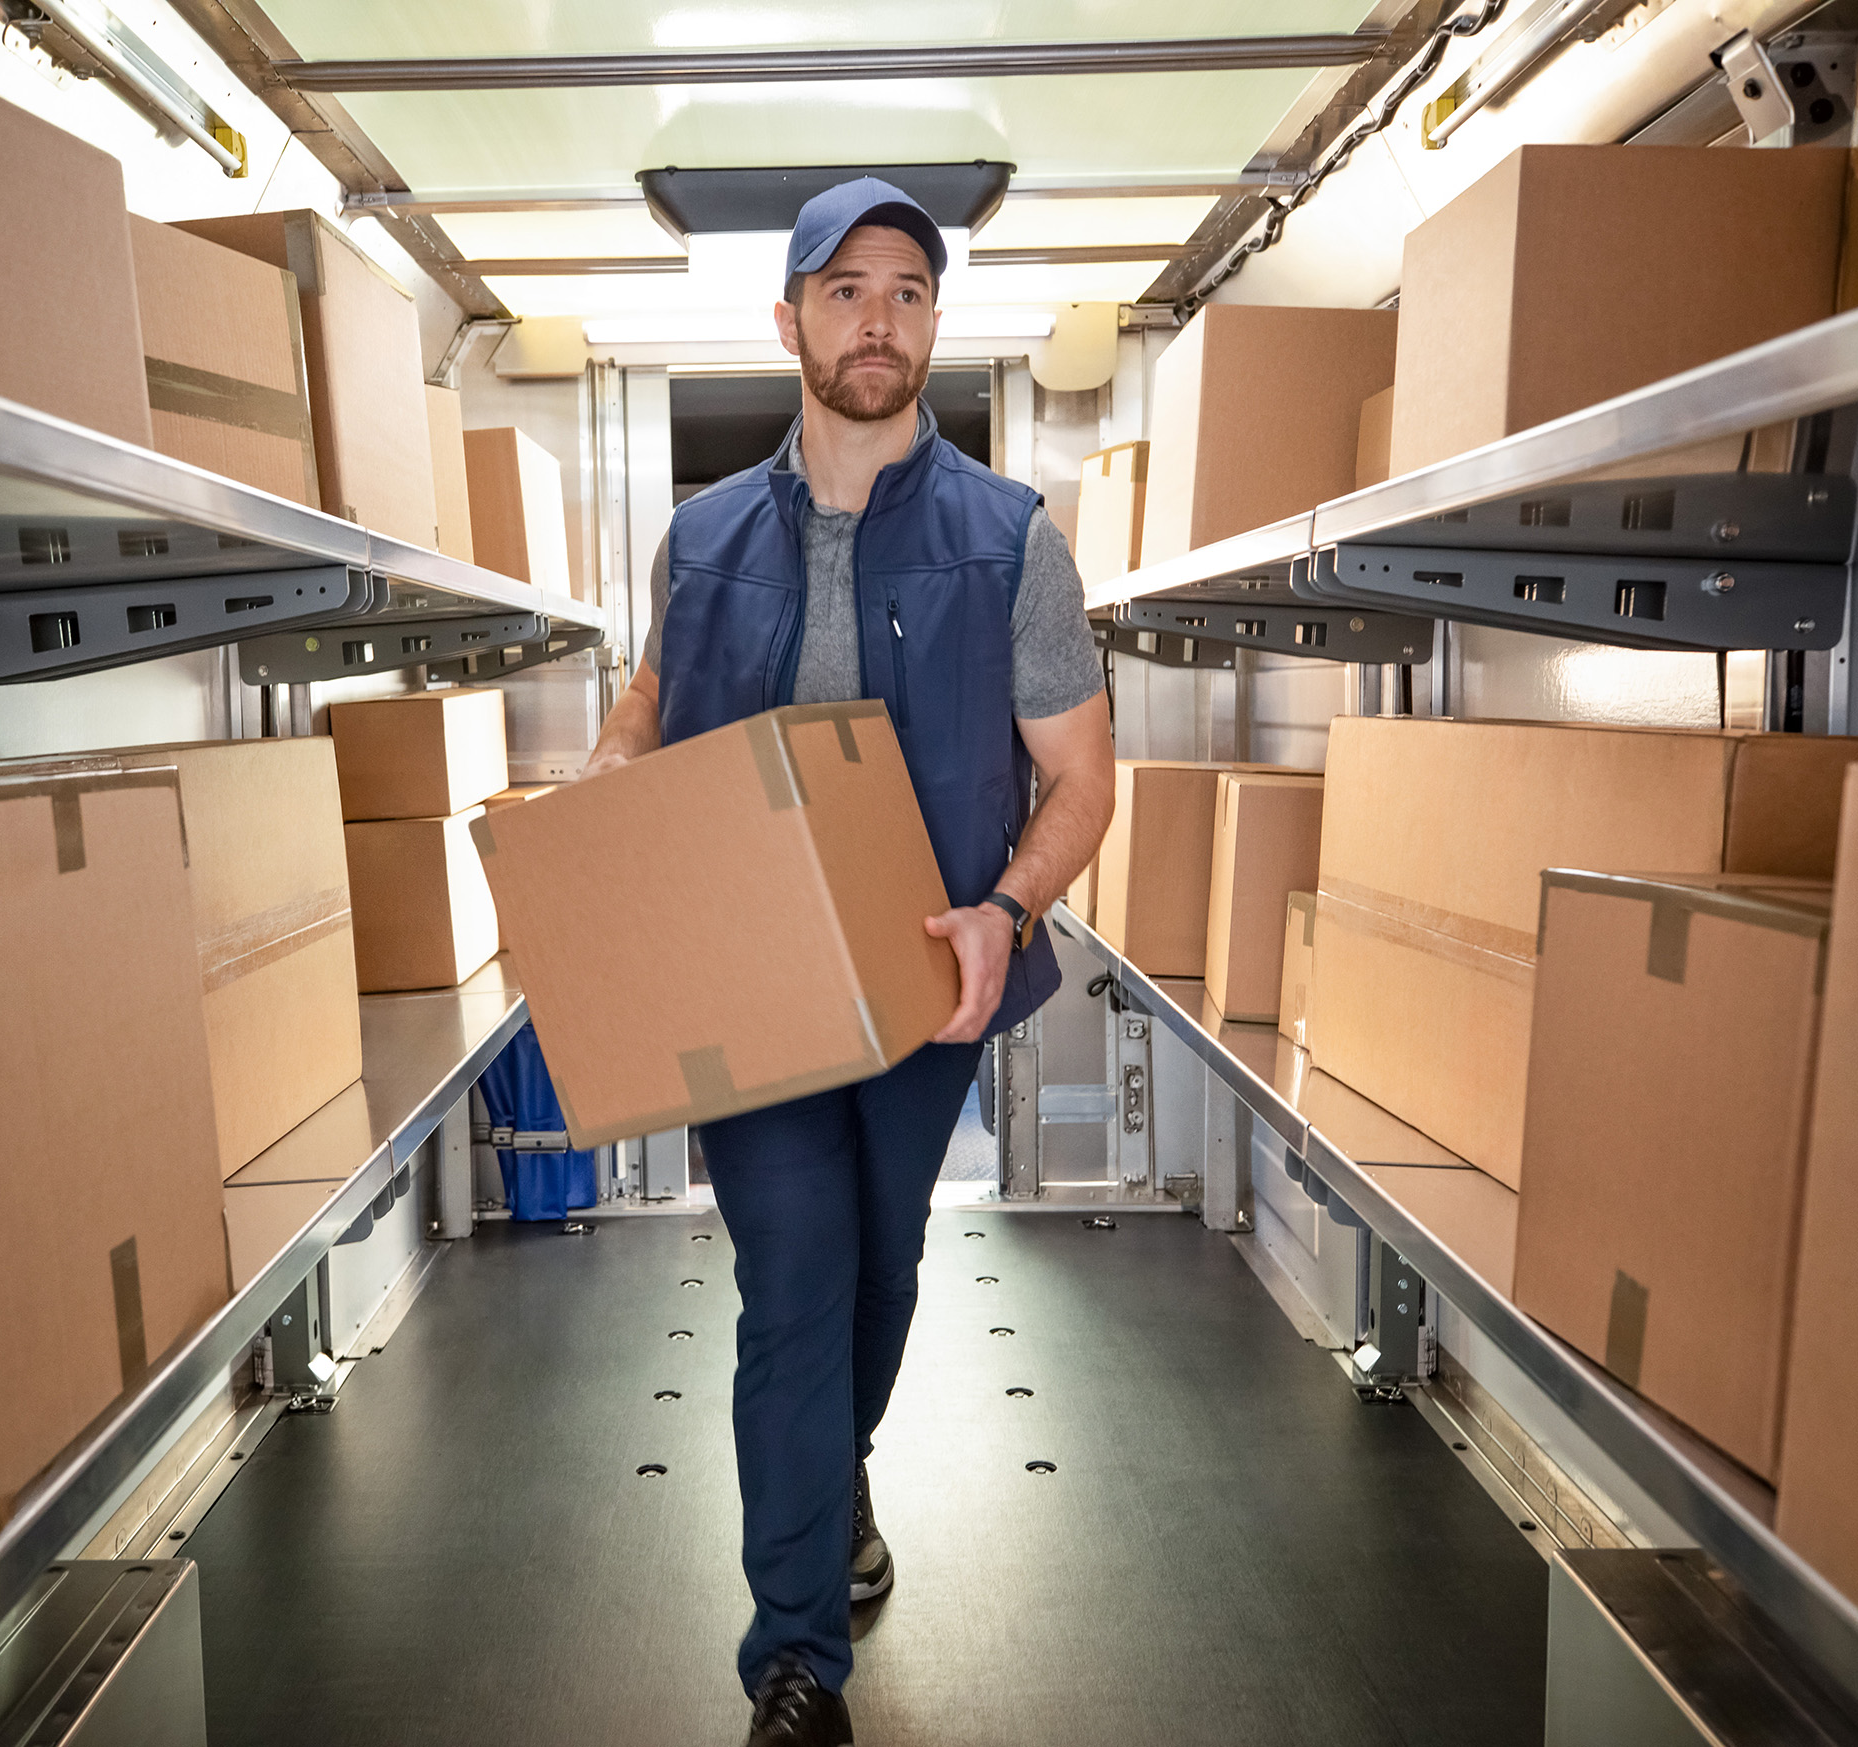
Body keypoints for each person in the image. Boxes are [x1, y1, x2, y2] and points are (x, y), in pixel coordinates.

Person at [582, 177, 1116, 1747]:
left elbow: (1080, 781)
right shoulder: (700, 536)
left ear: (932, 325)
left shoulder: (1010, 538)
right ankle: (796, 1660)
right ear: (789, 320)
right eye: (843, 289)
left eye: (905, 291)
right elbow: (646, 707)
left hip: (920, 980)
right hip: (744, 983)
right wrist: (608, 774)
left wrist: (1003, 914)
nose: (875, 318)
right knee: (796, 1284)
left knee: (883, 1274)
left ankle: (834, 1474)